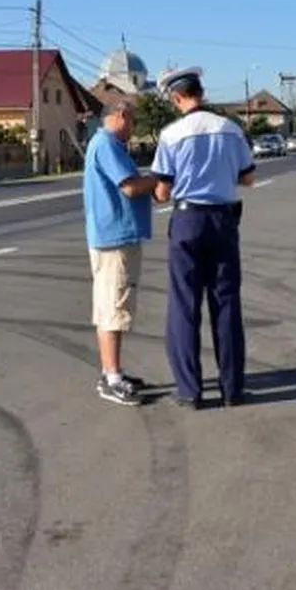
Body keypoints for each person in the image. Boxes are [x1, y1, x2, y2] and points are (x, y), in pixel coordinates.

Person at [150, 67, 256, 410]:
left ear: (177, 96)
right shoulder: (231, 129)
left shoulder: (171, 134)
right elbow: (249, 177)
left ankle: (189, 390)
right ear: (202, 92)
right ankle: (232, 389)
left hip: (187, 219)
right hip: (223, 220)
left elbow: (163, 191)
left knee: (184, 305)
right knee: (226, 303)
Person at [83, 99, 158, 406]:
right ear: (122, 116)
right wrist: (160, 178)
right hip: (115, 238)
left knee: (111, 305)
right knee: (114, 307)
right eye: (133, 121)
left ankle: (112, 370)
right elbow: (129, 187)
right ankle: (111, 377)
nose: (133, 128)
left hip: (113, 236)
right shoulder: (107, 145)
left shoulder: (106, 144)